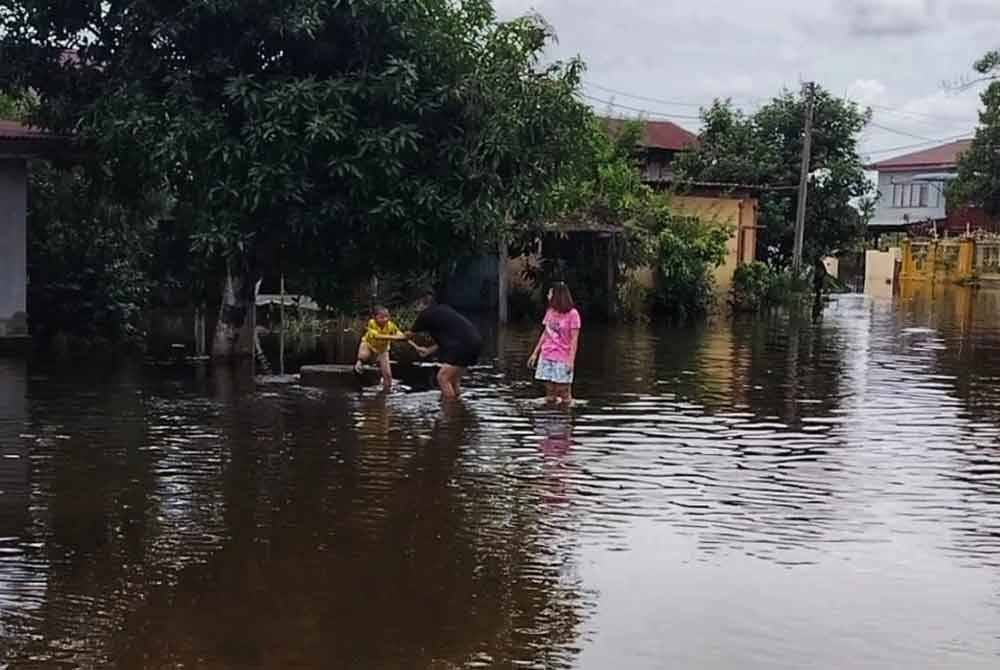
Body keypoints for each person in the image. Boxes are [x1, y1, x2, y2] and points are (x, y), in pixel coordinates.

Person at [406, 291, 482, 400]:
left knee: (443, 378)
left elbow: (407, 336)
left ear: (421, 302)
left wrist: (393, 333)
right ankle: (458, 406)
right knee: (453, 380)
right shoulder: (444, 309)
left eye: (415, 304)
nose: (414, 308)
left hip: (462, 346)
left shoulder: (425, 315)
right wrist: (429, 350)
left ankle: (450, 407)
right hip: (475, 342)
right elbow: (449, 338)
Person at [527, 282, 581, 404]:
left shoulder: (573, 314)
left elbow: (574, 340)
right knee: (550, 392)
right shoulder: (550, 312)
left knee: (564, 391)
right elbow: (545, 333)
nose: (548, 296)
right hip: (547, 355)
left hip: (562, 357)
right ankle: (549, 414)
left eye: (550, 293)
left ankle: (565, 414)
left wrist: (571, 361)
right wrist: (535, 353)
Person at [354, 306, 404, 391]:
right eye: (381, 317)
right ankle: (359, 363)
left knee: (388, 375)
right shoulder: (371, 323)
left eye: (387, 317)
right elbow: (377, 336)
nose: (385, 319)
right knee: (363, 356)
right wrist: (394, 337)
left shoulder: (390, 325)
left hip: (382, 350)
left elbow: (399, 334)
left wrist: (404, 337)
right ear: (375, 317)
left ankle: (386, 391)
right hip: (369, 345)